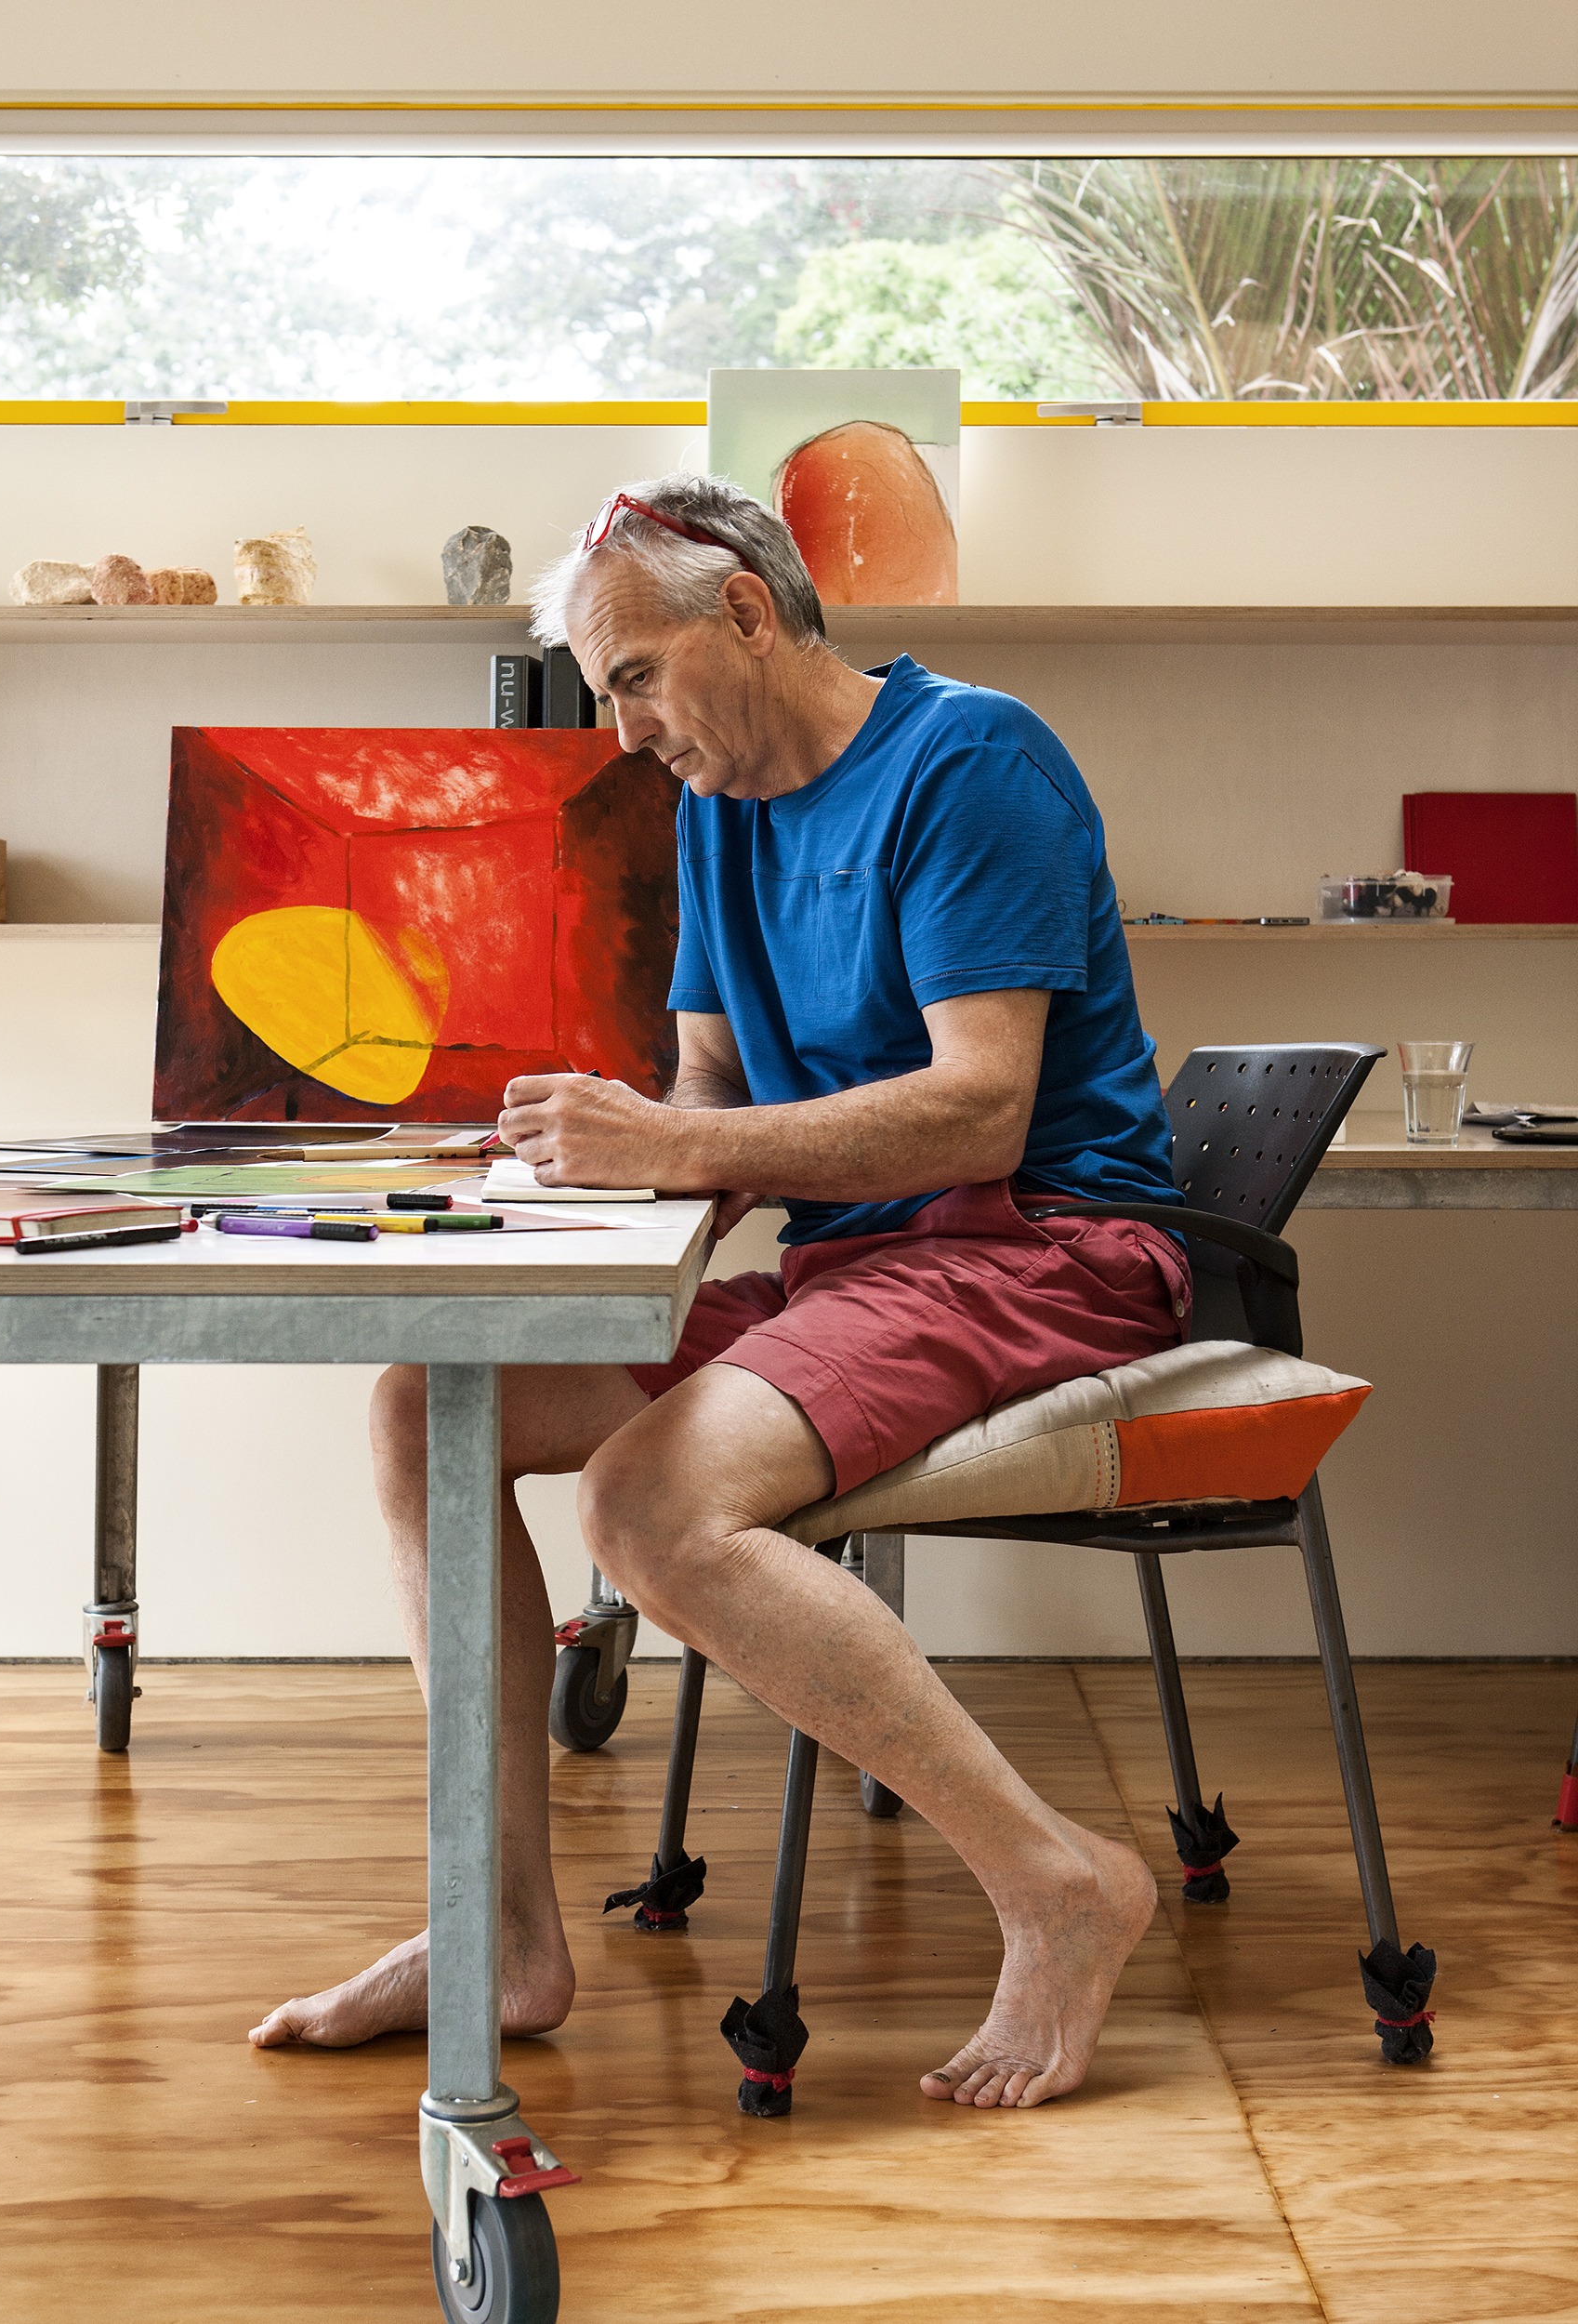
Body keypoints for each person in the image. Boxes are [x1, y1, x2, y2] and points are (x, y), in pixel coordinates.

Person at [251, 475, 1191, 2112]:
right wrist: (571, 1165)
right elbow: (705, 1099)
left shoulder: (973, 760)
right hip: (861, 1259)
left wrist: (671, 1141)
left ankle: (1059, 1881)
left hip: (1038, 1241)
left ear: (747, 612)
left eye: (632, 680)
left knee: (650, 1505)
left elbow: (983, 1106)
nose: (621, 733)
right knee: (430, 1406)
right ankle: (502, 1938)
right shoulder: (717, 807)